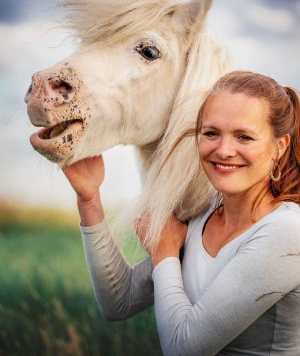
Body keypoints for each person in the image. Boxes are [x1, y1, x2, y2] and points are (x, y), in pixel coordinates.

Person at [63, 71, 300, 356]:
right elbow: (119, 301)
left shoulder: (287, 231)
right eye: (211, 133)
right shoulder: (202, 210)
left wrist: (165, 252)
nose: (224, 150)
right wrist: (89, 198)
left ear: (279, 146)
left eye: (244, 137)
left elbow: (184, 349)